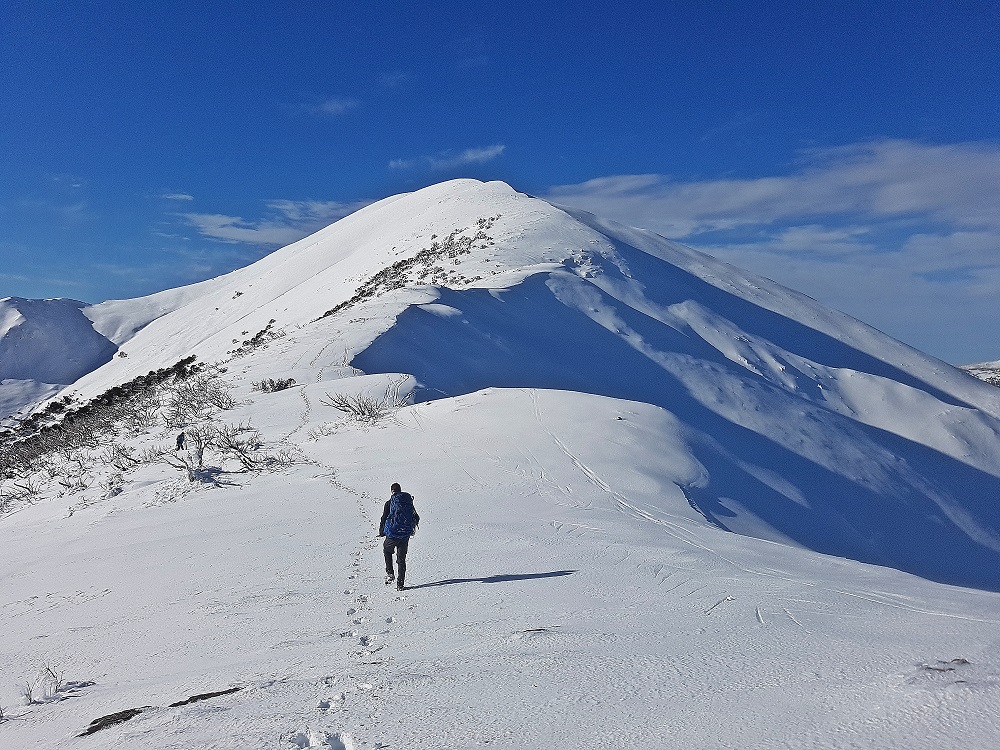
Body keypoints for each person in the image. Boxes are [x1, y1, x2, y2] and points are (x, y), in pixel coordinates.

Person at [378, 483, 419, 591]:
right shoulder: (408, 503)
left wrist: (382, 531)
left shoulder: (390, 503)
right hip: (404, 535)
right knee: (401, 560)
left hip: (392, 535)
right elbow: (416, 517)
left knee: (387, 551)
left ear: (392, 491)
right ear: (400, 490)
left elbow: (384, 517)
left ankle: (390, 573)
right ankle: (400, 584)